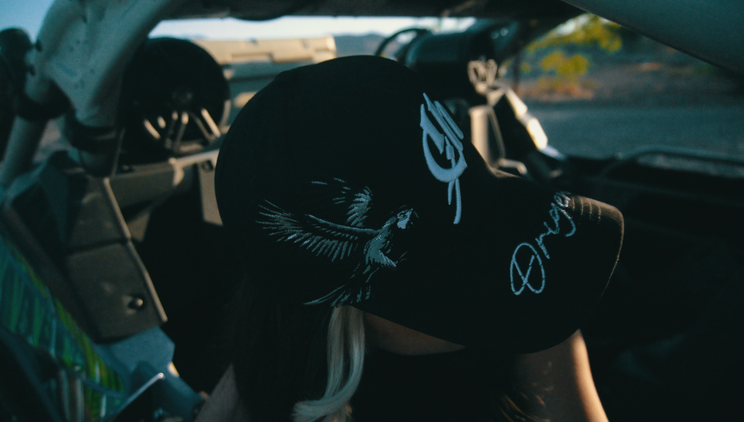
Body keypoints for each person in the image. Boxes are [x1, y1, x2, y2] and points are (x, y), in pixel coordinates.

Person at [199, 55, 624, 422]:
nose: (508, 261)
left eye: (489, 230)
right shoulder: (273, 356)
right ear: (340, 303)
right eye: (463, 270)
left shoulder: (534, 306)